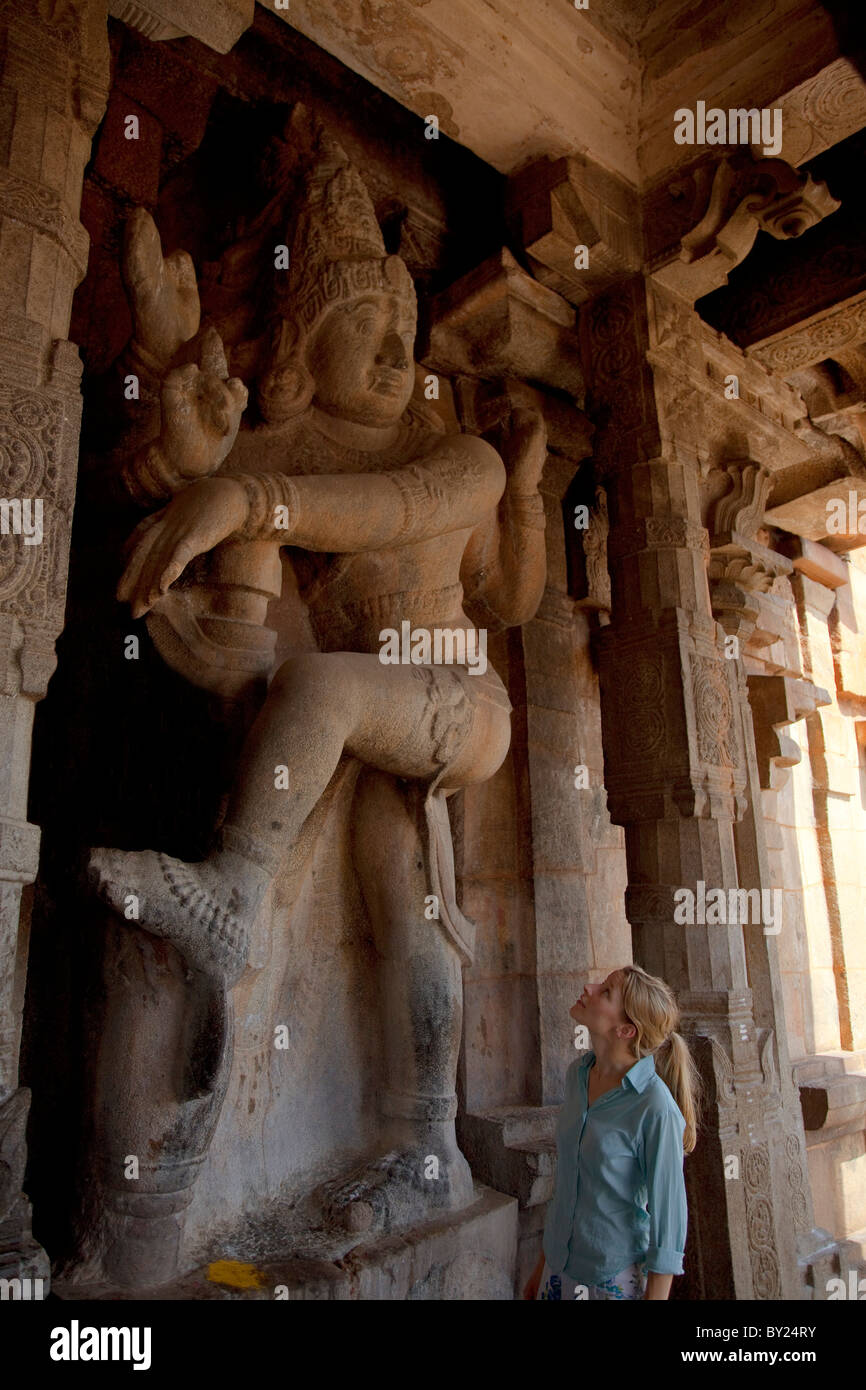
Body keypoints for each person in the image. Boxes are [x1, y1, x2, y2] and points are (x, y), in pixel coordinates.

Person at [523, 964, 700, 1301]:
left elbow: (669, 1220)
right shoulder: (578, 1075)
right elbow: (568, 1185)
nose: (588, 988)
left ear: (626, 1030)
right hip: (557, 1273)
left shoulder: (654, 1106)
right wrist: (541, 1269)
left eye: (605, 992)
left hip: (610, 1280)